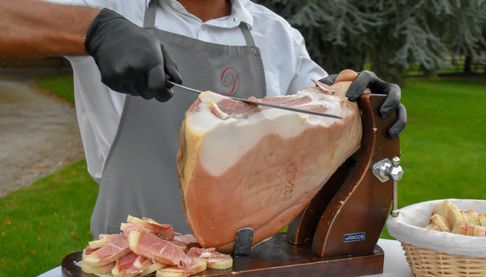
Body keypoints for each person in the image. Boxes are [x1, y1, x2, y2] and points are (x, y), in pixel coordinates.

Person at [1, 0, 406, 238]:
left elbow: (322, 112)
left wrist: (364, 103)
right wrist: (94, 29)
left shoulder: (275, 34)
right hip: (131, 261)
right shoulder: (114, 6)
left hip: (248, 271)